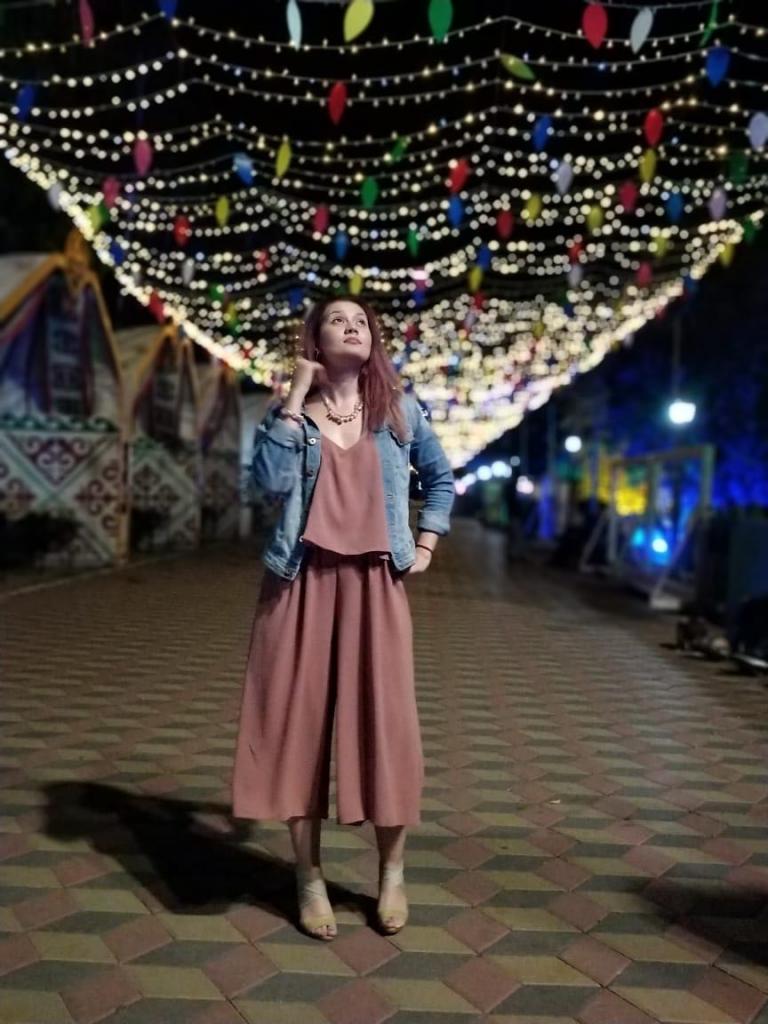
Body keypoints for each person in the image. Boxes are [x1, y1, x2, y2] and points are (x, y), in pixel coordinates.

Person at [232, 297, 455, 941]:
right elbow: (268, 486)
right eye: (337, 319)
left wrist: (427, 544)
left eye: (362, 321)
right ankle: (308, 879)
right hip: (298, 582)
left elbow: (440, 480)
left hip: (375, 586)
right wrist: (293, 397)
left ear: (372, 341)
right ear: (315, 340)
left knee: (387, 727)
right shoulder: (292, 415)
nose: (352, 326)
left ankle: (392, 873)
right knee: (294, 728)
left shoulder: (400, 411)